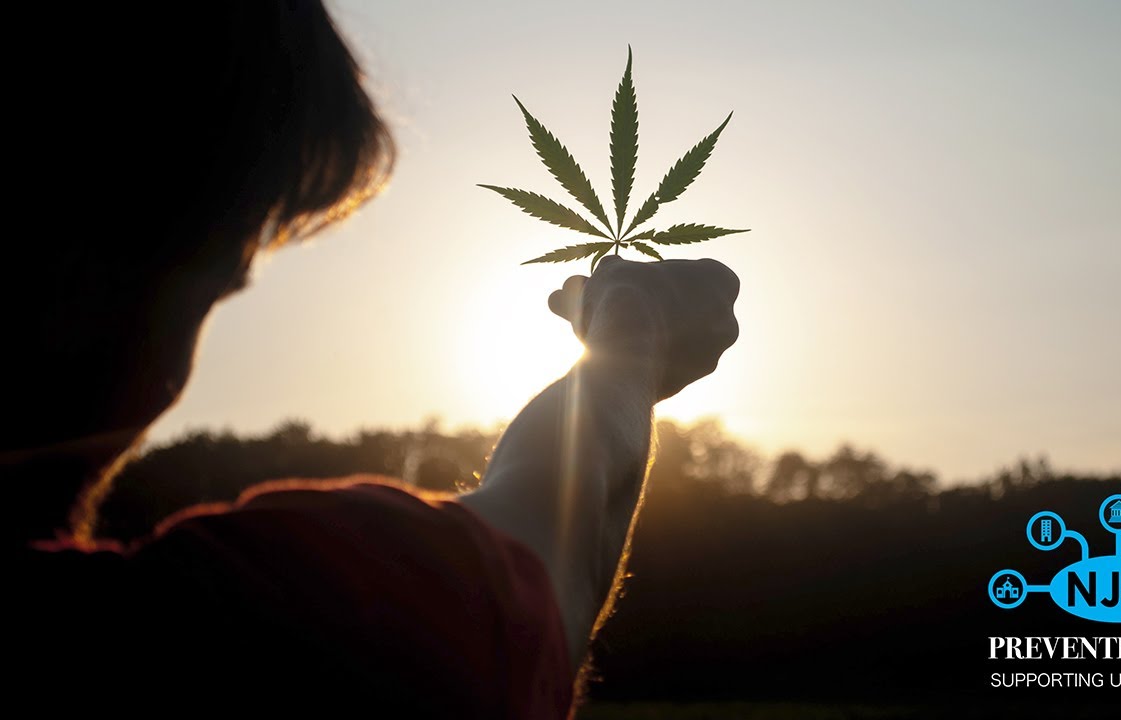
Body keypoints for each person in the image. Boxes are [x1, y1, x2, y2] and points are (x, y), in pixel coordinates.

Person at [5, 2, 739, 717]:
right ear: (80, 285)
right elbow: (558, 535)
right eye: (214, 289)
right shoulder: (257, 637)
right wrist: (628, 346)